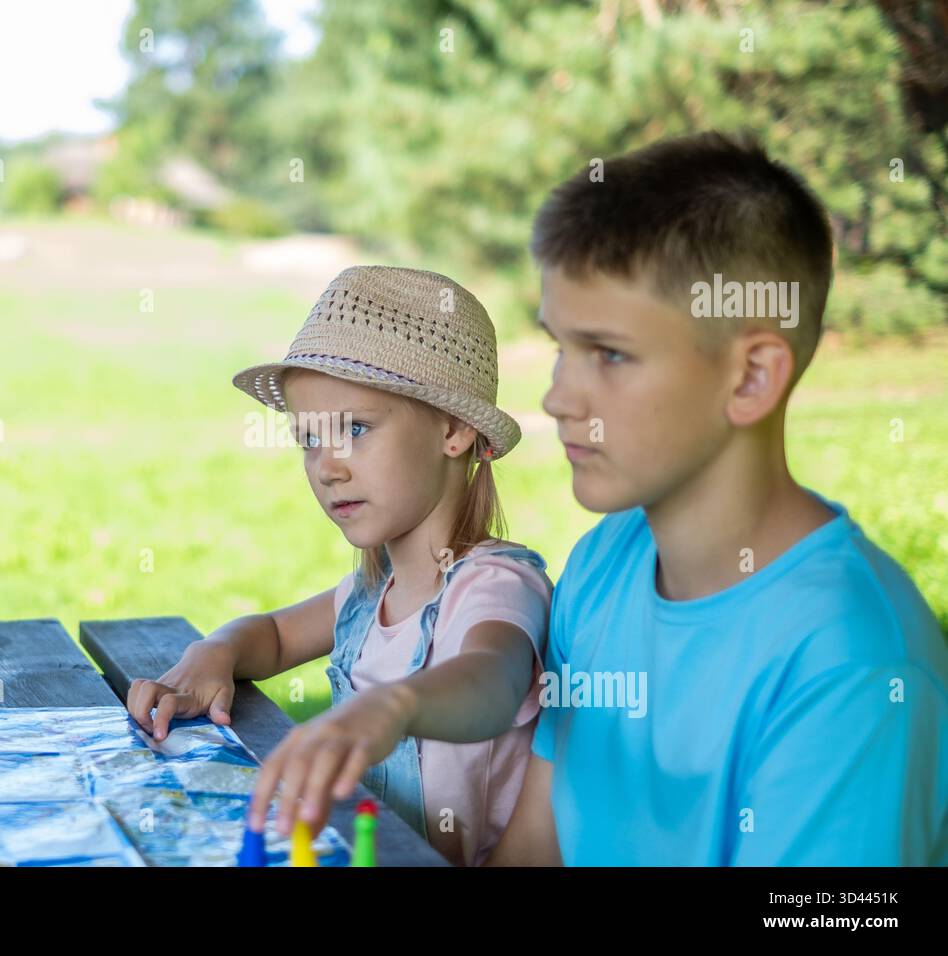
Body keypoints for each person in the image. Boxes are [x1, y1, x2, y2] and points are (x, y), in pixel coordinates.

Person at [488, 131, 948, 866]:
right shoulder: (604, 562)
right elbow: (536, 845)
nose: (556, 398)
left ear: (751, 378)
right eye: (559, 348)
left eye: (609, 354)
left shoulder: (852, 667)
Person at [126, 265, 553, 865]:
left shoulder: (495, 585)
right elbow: (273, 636)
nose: (327, 467)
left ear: (454, 429)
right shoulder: (371, 590)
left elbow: (491, 679)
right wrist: (213, 653)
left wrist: (394, 706)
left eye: (355, 428)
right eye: (309, 439)